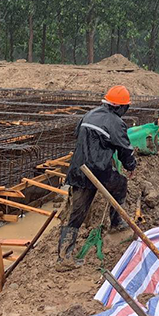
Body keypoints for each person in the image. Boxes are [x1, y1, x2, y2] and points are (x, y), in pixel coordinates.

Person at [58, 85, 137, 265]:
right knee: (120, 185)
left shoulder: (89, 115)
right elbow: (125, 150)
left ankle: (64, 258)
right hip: (100, 171)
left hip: (78, 169)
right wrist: (131, 166)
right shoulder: (116, 123)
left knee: (77, 213)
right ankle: (116, 223)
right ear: (121, 107)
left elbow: (77, 135)